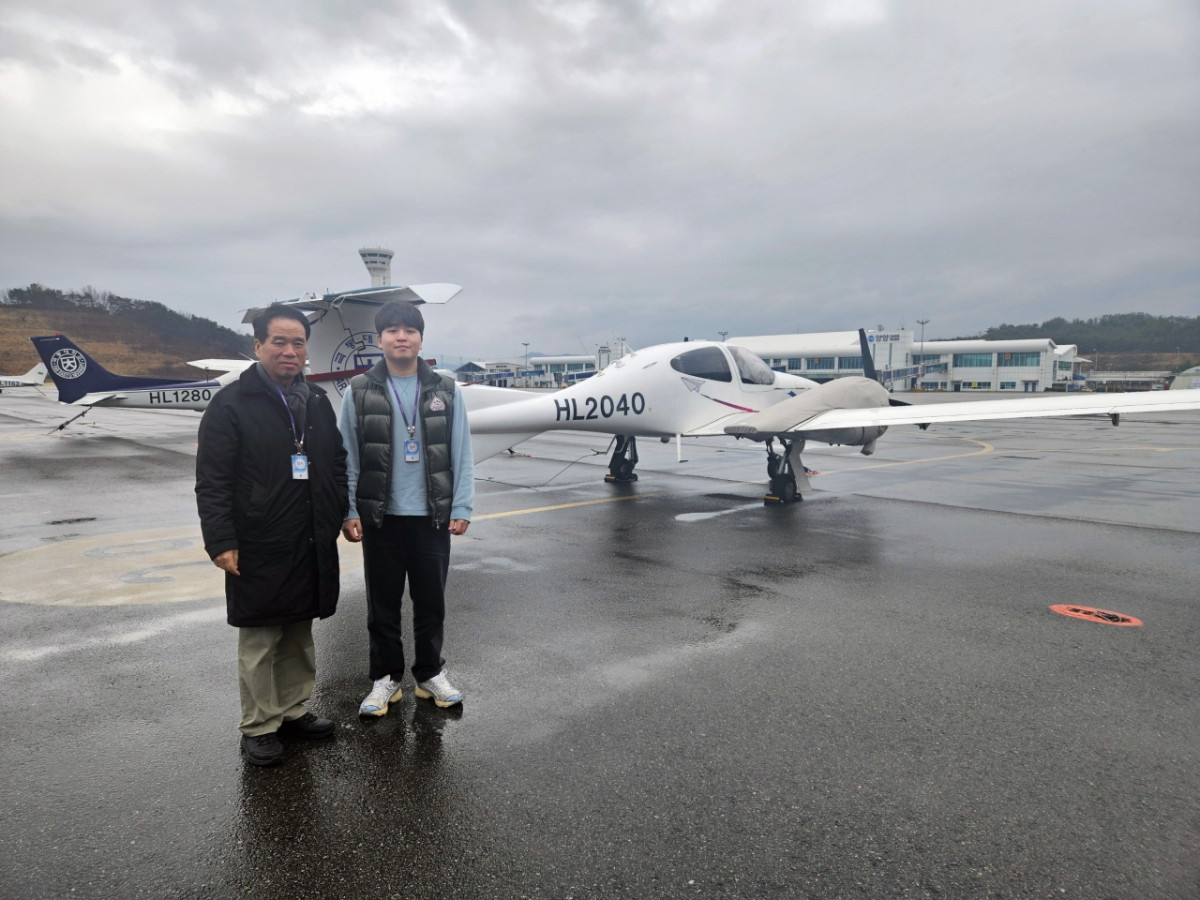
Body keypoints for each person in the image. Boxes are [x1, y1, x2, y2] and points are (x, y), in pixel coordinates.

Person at [196, 306, 348, 767]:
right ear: (258, 346)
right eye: (279, 341)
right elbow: (213, 480)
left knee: (299, 631)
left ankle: (293, 709)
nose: (289, 351)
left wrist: (337, 513)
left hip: (308, 537)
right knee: (261, 638)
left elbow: (336, 464)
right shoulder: (231, 404)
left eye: (298, 342)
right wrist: (221, 540)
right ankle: (259, 725)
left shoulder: (317, 402)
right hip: (259, 540)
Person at [339, 300, 473, 716]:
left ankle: (430, 674)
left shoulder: (445, 388)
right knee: (383, 604)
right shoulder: (359, 390)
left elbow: (461, 450)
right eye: (392, 330)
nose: (401, 337)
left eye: (410, 330)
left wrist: (462, 503)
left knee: (431, 601)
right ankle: (386, 679)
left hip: (431, 516)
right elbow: (348, 455)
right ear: (379, 340)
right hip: (381, 516)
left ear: (420, 338)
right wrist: (349, 509)